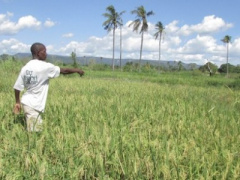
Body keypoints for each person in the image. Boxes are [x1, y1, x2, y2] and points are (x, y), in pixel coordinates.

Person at [13, 42, 84, 132]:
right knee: (35, 133)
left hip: (27, 102)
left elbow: (17, 87)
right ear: (38, 53)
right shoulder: (44, 67)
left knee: (34, 130)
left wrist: (17, 102)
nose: (46, 53)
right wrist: (77, 70)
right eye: (44, 51)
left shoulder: (26, 67)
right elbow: (64, 70)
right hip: (33, 105)